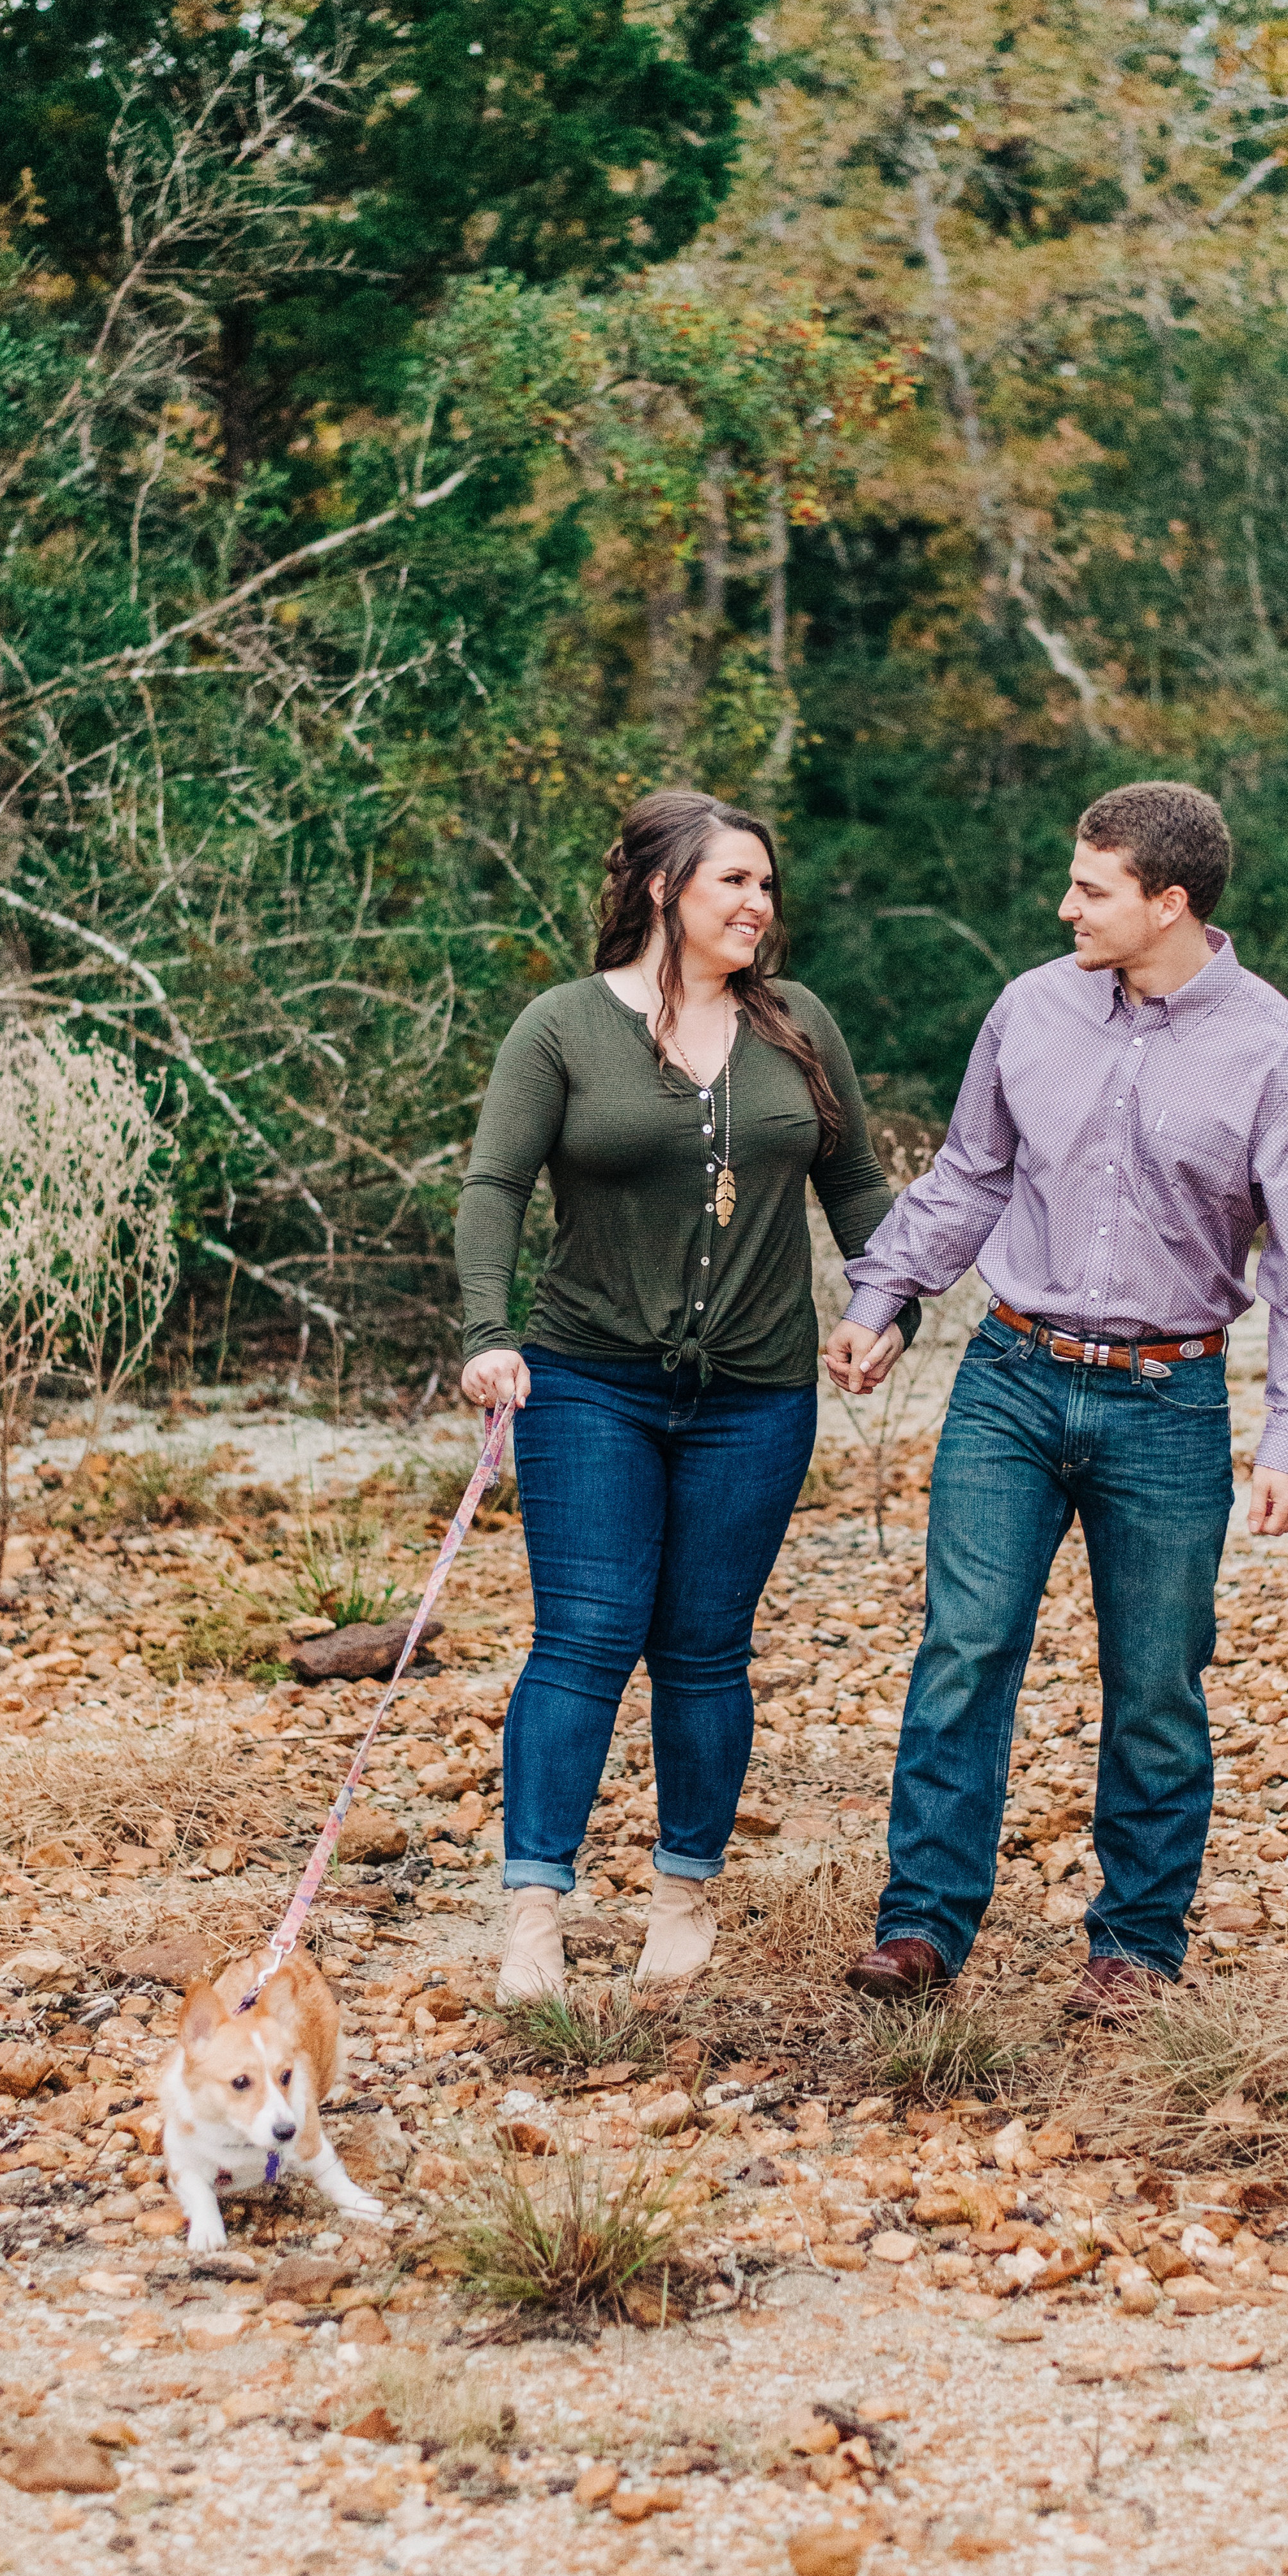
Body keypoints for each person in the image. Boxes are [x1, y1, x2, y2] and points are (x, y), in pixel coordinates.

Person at [822, 779, 1288, 2021]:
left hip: (1168, 1406)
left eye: (1092, 887)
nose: (1065, 904)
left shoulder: (1280, 1055)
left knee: (1157, 1683)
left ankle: (1133, 1949)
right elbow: (966, 1177)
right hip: (1008, 1378)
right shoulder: (1029, 1011)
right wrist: (879, 1300)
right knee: (962, 1651)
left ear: (1167, 903)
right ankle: (920, 1929)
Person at [457, 788, 917, 2007]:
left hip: (757, 1396)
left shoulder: (796, 1025)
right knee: (588, 1635)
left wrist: (888, 1306)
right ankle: (534, 1912)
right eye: (735, 883)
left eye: (767, 886)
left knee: (705, 1649)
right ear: (665, 890)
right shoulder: (560, 1028)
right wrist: (487, 1335)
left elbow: (858, 1186)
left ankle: (682, 1895)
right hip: (587, 1385)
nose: (760, 905)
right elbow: (495, 1186)